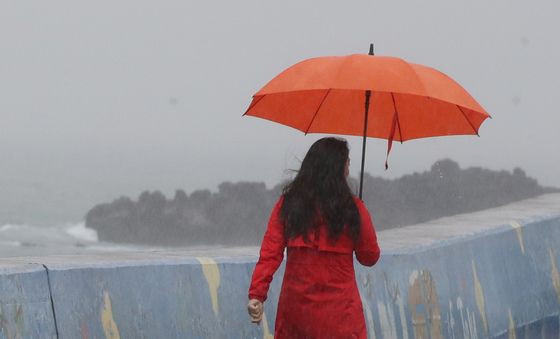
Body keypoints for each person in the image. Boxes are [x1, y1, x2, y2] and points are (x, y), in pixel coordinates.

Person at [247, 137, 381, 338]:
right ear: (338, 168)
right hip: (341, 318)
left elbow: (270, 253)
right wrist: (360, 217)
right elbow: (369, 257)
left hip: (297, 316)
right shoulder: (354, 209)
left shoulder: (288, 205)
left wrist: (257, 294)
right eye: (347, 162)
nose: (348, 168)